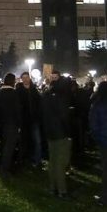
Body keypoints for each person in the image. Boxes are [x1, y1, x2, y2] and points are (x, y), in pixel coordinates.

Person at [42, 70, 73, 199]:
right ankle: (62, 191)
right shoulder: (61, 97)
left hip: (50, 132)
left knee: (53, 161)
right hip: (61, 133)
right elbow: (64, 116)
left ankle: (52, 187)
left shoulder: (46, 95)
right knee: (61, 162)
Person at [0, 73, 22, 177]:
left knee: (4, 146)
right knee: (9, 148)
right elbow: (17, 110)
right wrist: (19, 124)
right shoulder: (13, 93)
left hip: (3, 124)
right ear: (12, 81)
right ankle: (5, 170)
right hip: (12, 124)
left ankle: (2, 166)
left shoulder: (0, 92)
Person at [17, 72, 43, 168]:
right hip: (23, 120)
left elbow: (39, 104)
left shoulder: (34, 90)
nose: (25, 79)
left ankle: (37, 160)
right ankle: (24, 159)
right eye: (23, 78)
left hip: (34, 120)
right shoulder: (19, 90)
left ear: (29, 78)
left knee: (37, 141)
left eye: (26, 77)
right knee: (24, 141)